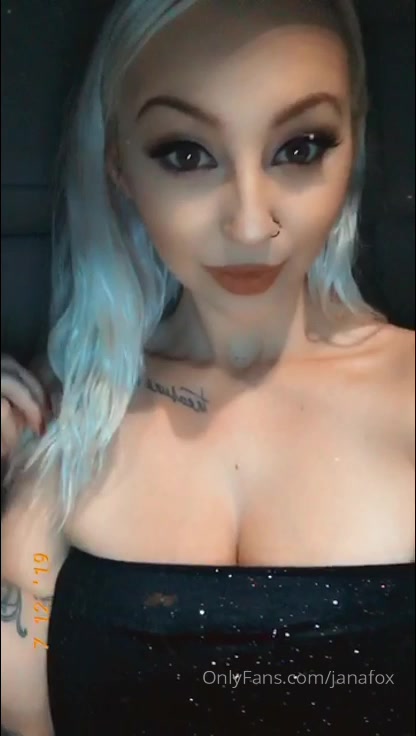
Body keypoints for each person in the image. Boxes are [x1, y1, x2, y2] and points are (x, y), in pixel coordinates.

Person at [1, 0, 414, 734]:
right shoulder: (73, 405)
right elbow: (22, 681)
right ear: (119, 166)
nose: (251, 224)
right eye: (186, 154)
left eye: (300, 147)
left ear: (353, 145)